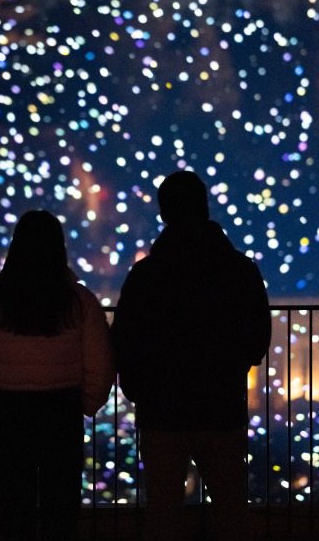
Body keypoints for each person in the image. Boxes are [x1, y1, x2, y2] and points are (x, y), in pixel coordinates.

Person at [110, 170, 271, 541]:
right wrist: (232, 369)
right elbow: (257, 335)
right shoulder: (239, 270)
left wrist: (138, 388)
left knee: (163, 512)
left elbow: (125, 340)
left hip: (162, 411)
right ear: (205, 207)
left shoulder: (146, 275)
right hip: (221, 407)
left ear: (164, 213)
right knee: (231, 510)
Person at [0, 210, 115, 541]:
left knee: (15, 503)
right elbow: (100, 359)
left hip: (12, 408)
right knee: (62, 501)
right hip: (63, 406)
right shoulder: (80, 301)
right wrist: (88, 403)